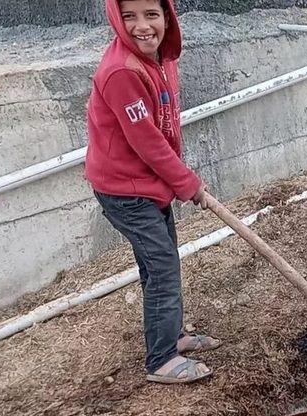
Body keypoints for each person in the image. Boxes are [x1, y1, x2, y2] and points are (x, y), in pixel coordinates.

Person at [85, 0, 221, 384]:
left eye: (151, 14)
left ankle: (172, 336)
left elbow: (162, 129)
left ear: (167, 16)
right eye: (129, 16)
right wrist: (188, 184)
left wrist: (174, 181)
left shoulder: (161, 57)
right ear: (116, 18)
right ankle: (160, 359)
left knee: (162, 261)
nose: (141, 26)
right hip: (123, 189)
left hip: (148, 182)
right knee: (161, 264)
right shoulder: (120, 72)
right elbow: (147, 142)